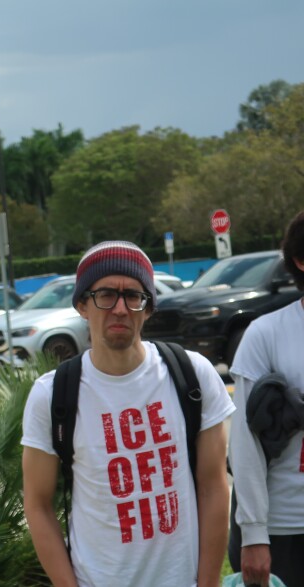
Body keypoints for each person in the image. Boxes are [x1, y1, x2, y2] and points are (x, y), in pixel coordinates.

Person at [21, 241, 235, 586]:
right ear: (82, 305)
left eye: (133, 296)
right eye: (105, 294)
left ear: (147, 308)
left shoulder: (192, 375)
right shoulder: (53, 395)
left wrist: (207, 582)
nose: (120, 308)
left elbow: (213, 487)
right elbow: (38, 504)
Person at [228, 211, 304, 587]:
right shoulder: (266, 334)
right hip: (287, 528)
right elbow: (244, 444)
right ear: (300, 261)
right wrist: (253, 534)